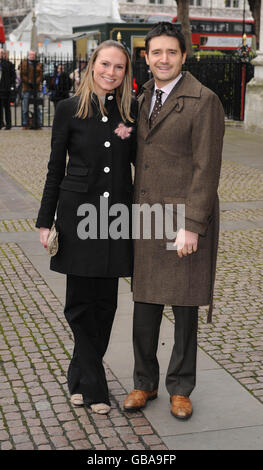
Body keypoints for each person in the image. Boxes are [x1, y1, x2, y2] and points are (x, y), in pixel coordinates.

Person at [124, 22, 225, 420]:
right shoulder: (144, 95)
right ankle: (143, 381)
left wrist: (193, 224)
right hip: (147, 217)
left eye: (171, 52)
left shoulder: (204, 100)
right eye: (156, 53)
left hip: (182, 219)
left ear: (184, 56)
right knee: (144, 304)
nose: (162, 59)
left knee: (184, 307)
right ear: (146, 57)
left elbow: (207, 167)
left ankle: (181, 387)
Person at [36, 40, 137, 414]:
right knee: (79, 304)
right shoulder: (67, 110)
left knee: (106, 304)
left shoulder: (130, 112)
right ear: (92, 64)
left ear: (126, 73)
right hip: (77, 216)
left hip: (114, 219)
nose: (110, 73)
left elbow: (139, 165)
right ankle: (94, 388)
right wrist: (45, 221)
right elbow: (54, 169)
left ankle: (79, 377)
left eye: (119, 67)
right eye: (105, 64)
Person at [20, 50, 43, 129]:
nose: (32, 56)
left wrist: (35, 82)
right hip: (26, 88)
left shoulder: (38, 64)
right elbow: (22, 75)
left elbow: (40, 75)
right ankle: (25, 124)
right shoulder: (24, 63)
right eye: (31, 55)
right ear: (28, 55)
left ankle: (39, 123)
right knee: (25, 107)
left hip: (36, 88)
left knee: (37, 107)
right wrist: (29, 81)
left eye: (33, 55)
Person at [0, 49, 16, 130]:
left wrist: (11, 87)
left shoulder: (8, 64)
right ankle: (1, 123)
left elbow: (13, 77)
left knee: (7, 107)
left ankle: (8, 124)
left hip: (6, 89)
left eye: (1, 53)